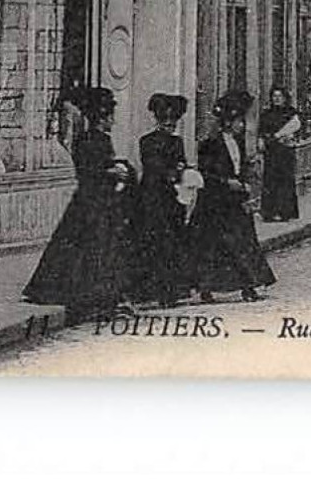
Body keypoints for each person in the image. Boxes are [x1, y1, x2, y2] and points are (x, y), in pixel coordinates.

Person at [23, 86, 135, 322]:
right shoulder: (91, 139)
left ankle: (98, 296)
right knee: (93, 248)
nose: (113, 121)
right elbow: (87, 171)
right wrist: (112, 171)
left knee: (93, 248)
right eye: (110, 116)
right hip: (93, 202)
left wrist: (113, 170)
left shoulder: (94, 138)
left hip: (95, 201)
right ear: (103, 117)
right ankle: (92, 296)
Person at [188, 90, 275, 303]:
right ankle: (206, 289)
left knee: (243, 243)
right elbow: (205, 173)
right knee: (215, 246)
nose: (242, 126)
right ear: (228, 122)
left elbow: (241, 166)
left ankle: (249, 286)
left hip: (235, 200)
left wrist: (244, 183)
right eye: (238, 121)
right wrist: (226, 182)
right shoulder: (210, 144)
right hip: (215, 201)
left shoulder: (237, 142)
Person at [133, 93, 195, 308]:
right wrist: (172, 170)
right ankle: (152, 291)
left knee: (171, 243)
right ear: (159, 121)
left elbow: (182, 163)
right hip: (151, 197)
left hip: (171, 197)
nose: (170, 125)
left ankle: (170, 291)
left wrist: (182, 170)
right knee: (154, 243)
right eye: (166, 121)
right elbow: (152, 166)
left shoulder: (177, 142)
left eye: (173, 122)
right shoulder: (147, 141)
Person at [258, 86, 302, 223]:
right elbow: (262, 129)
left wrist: (289, 136)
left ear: (284, 98)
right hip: (271, 150)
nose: (276, 99)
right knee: (270, 180)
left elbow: (297, 128)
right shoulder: (266, 113)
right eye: (274, 96)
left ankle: (285, 211)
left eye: (279, 96)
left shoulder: (290, 113)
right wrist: (261, 140)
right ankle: (269, 212)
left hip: (285, 150)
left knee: (285, 180)